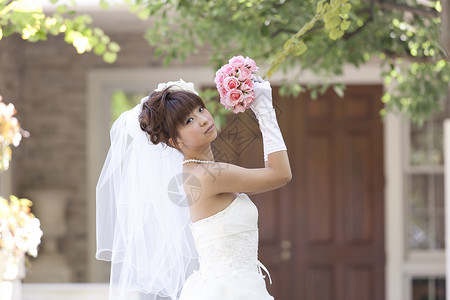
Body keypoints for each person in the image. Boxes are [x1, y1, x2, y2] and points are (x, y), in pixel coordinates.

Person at [96, 78, 291, 300]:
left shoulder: (196, 173)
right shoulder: (208, 177)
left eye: (200, 109)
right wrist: (265, 110)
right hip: (230, 290)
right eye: (189, 120)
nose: (202, 119)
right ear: (174, 141)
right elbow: (281, 174)